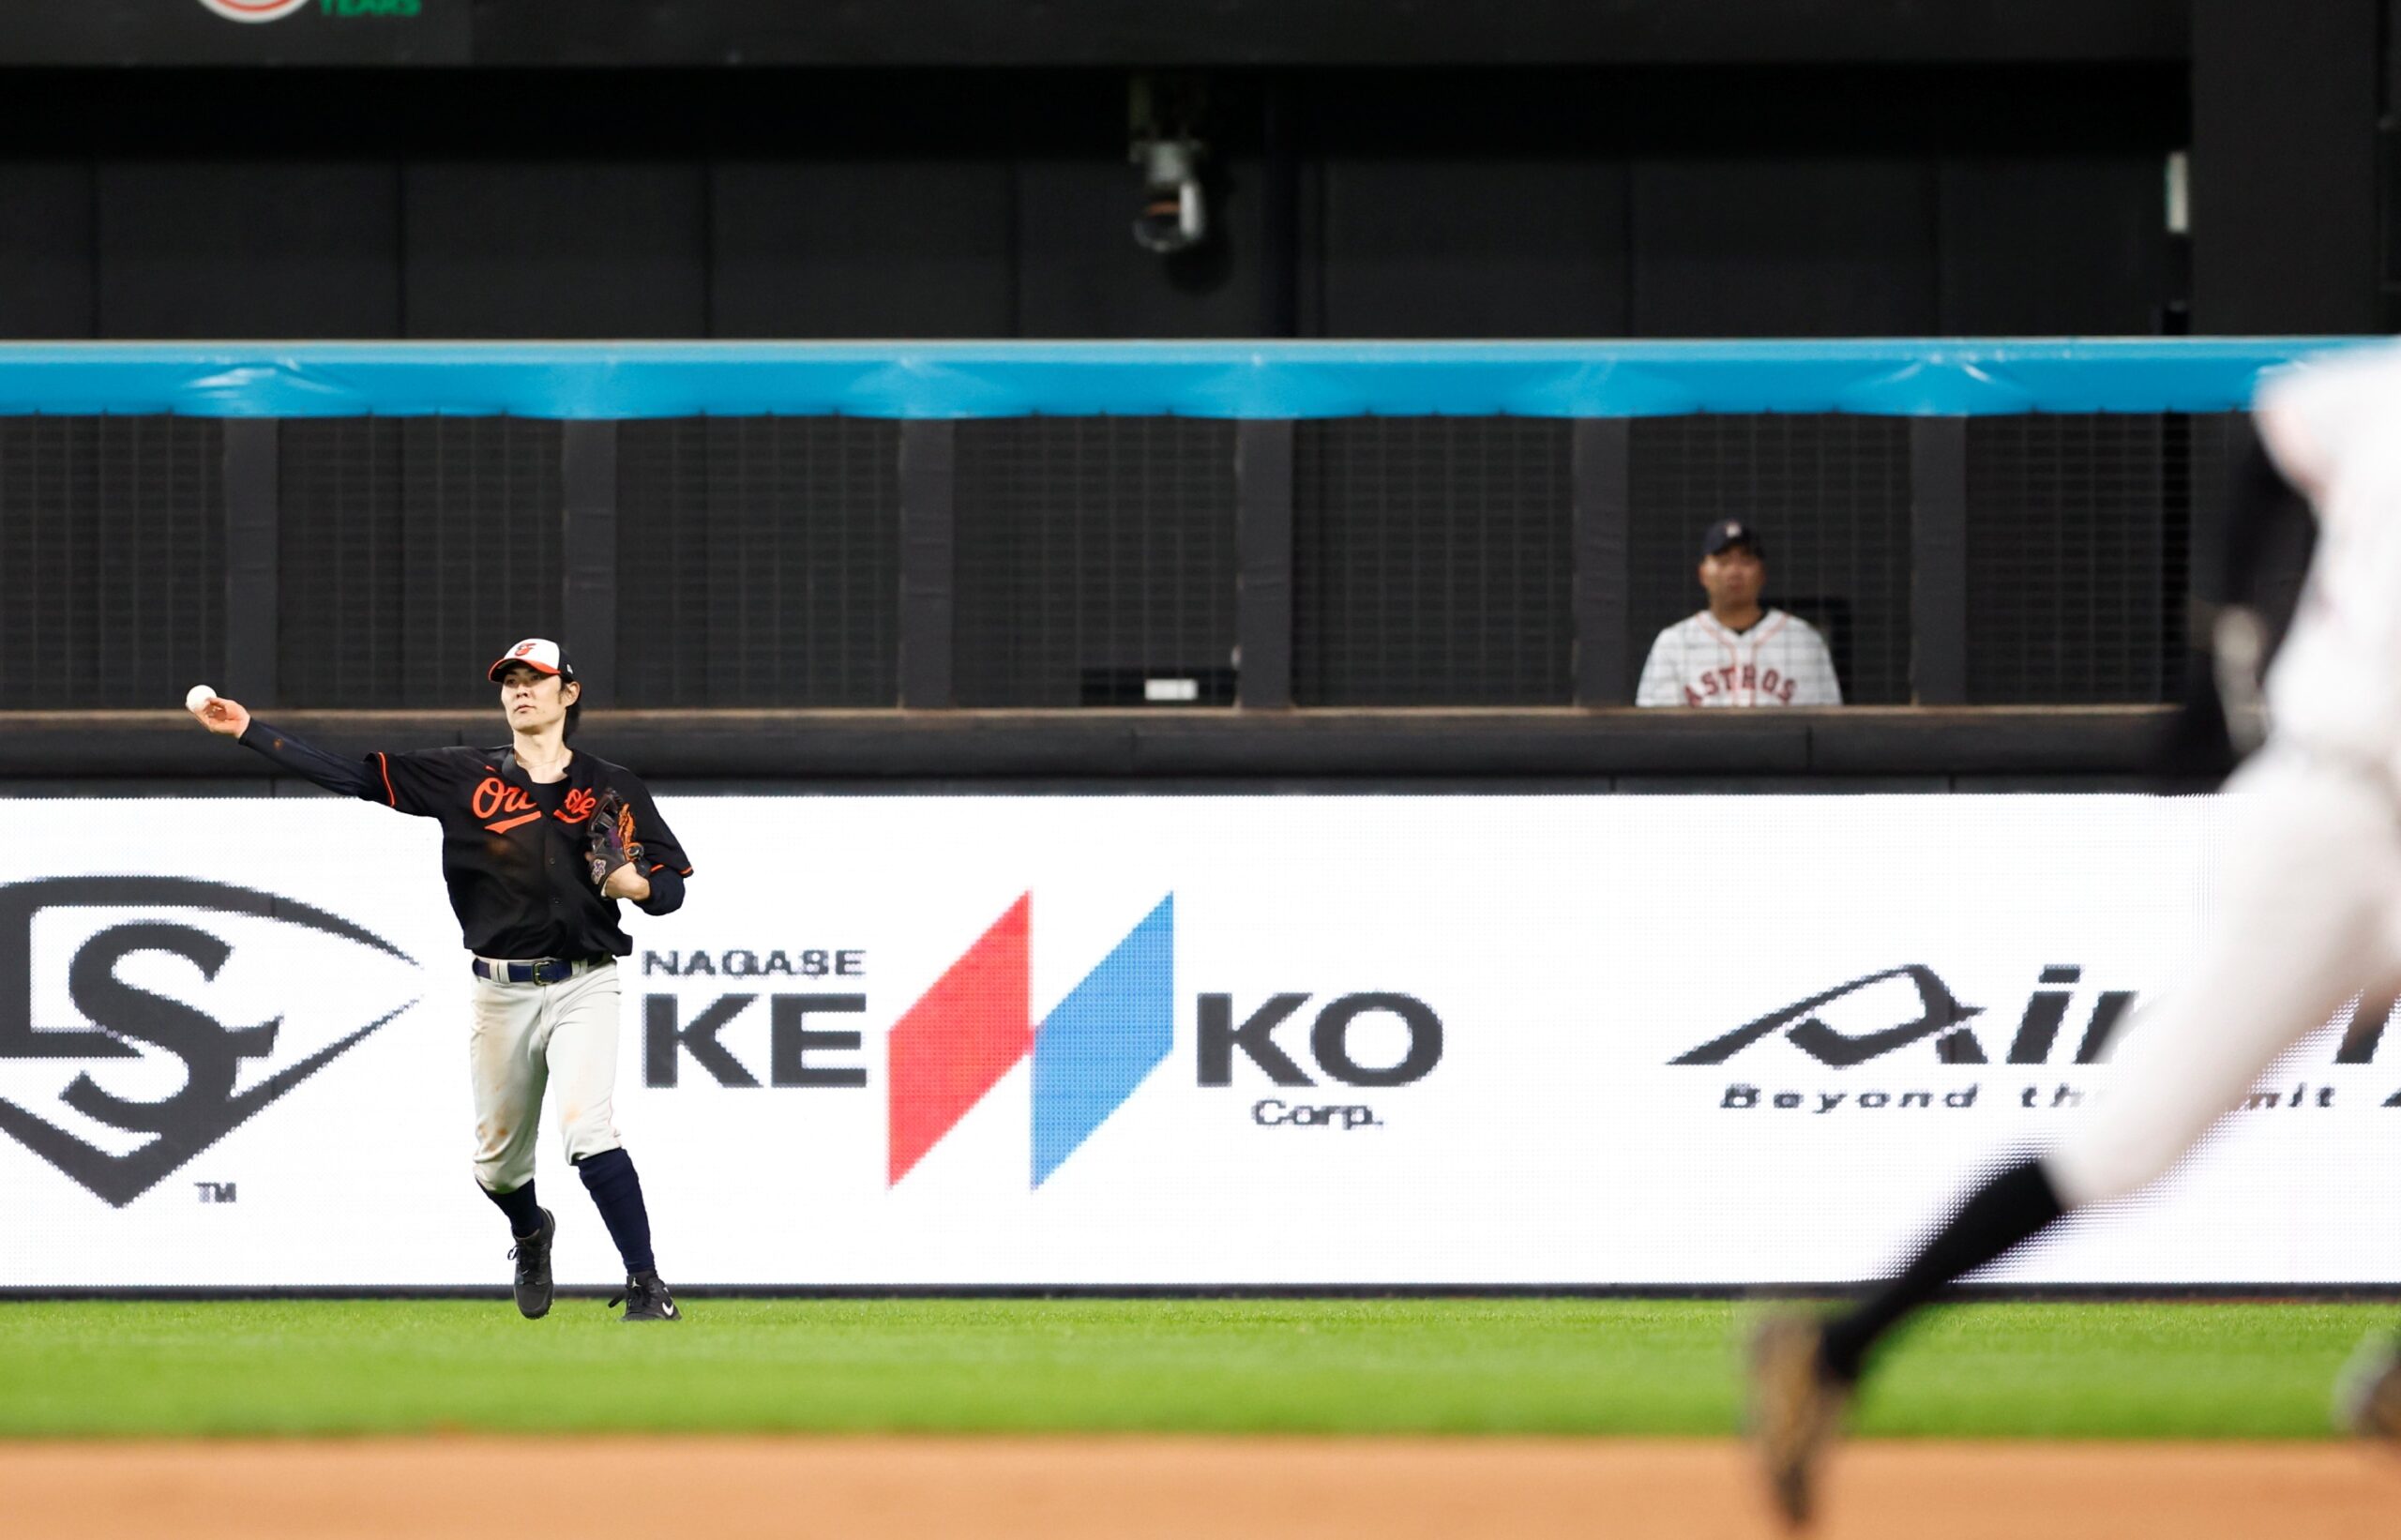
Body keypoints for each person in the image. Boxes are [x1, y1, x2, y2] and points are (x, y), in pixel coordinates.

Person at [1746, 347, 2401, 1528]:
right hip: (2334, 818)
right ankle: (1836, 1349)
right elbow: (2274, 431)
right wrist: (2215, 658)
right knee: (2128, 1146)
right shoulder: (2386, 392)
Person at [188, 639, 694, 1323]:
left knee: (588, 1131)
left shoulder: (611, 785)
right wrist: (251, 731)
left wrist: (639, 886)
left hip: (584, 982)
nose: (521, 690)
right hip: (501, 989)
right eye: (510, 681)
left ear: (568, 693)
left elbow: (671, 888)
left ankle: (646, 1283)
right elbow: (354, 777)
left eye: (536, 679)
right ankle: (530, 1233)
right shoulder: (465, 775)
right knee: (498, 1168)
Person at [1635, 520, 1842, 707]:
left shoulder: (1802, 640)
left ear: (1762, 573)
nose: (1734, 571)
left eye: (1746, 561)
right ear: (1702, 573)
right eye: (1723, 561)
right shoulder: (1674, 643)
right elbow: (1655, 728)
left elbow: (1827, 724)